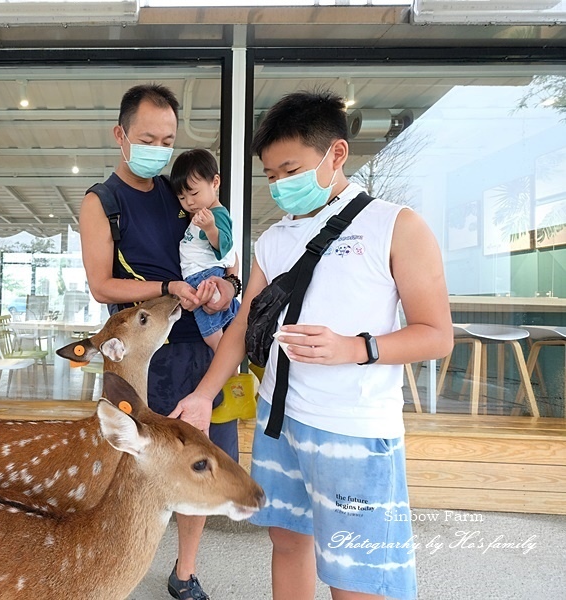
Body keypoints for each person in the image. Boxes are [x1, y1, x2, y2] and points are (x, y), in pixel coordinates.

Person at [169, 91, 453, 600]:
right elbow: (241, 328)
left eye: (290, 169)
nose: (279, 185)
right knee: (286, 542)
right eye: (271, 175)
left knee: (354, 573)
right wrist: (203, 395)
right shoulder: (274, 239)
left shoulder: (394, 225)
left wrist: (355, 347)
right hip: (280, 422)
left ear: (336, 154)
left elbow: (436, 334)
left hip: (355, 432)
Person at [79, 83, 240, 600]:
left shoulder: (181, 194)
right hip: (144, 356)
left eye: (168, 139)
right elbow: (102, 285)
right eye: (149, 137)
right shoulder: (102, 202)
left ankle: (185, 571)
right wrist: (167, 288)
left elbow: (223, 254)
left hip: (201, 347)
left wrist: (226, 288)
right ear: (121, 135)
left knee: (201, 459)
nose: (160, 148)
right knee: (129, 468)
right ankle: (115, 561)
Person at [170, 148, 240, 354]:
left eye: (194, 193)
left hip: (205, 278)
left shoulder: (216, 215)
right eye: (182, 198)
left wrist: (210, 228)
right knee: (225, 321)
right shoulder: (200, 213)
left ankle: (228, 369)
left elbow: (225, 246)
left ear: (215, 183)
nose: (189, 202)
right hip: (201, 277)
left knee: (211, 334)